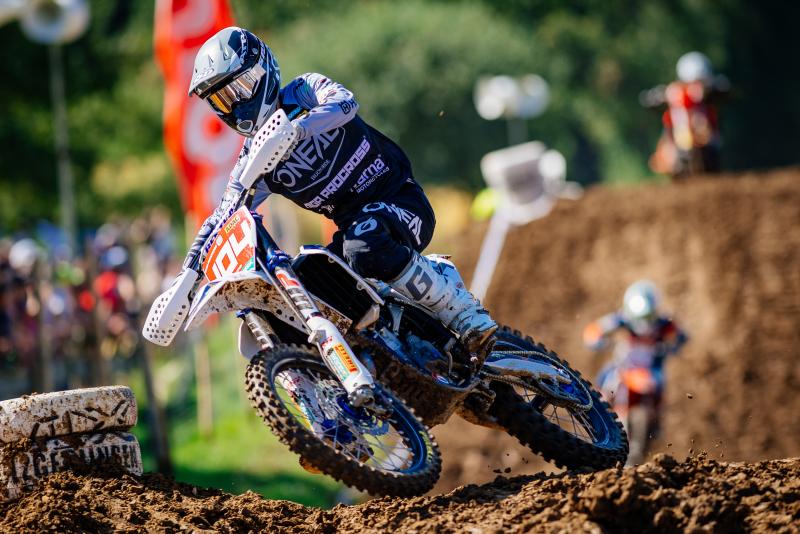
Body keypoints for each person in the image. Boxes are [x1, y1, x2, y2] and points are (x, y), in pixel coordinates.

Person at [182, 27, 497, 353]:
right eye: (222, 99)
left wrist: (296, 130)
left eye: (239, 88)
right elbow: (223, 216)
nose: (234, 104)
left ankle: (461, 311)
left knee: (364, 241)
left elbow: (345, 102)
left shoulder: (303, 91)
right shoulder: (252, 162)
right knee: (304, 290)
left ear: (262, 70)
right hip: (351, 237)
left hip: (401, 203)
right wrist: (185, 280)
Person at [583, 280, 687, 460]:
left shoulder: (664, 323)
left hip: (651, 370)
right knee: (604, 384)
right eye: (639, 318)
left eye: (647, 317)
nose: (643, 324)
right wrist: (600, 341)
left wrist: (672, 347)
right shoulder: (621, 319)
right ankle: (595, 415)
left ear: (655, 310)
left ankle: (656, 422)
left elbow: (682, 336)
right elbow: (594, 331)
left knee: (659, 386)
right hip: (623, 367)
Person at [640, 51, 729, 176]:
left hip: (705, 137)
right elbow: (649, 99)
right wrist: (655, 97)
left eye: (701, 83)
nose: (696, 86)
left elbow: (725, 90)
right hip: (680, 131)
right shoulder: (674, 92)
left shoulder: (710, 94)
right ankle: (667, 158)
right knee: (667, 135)